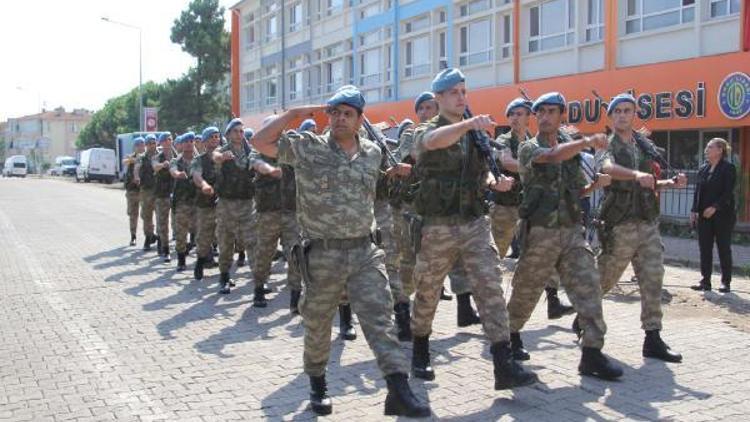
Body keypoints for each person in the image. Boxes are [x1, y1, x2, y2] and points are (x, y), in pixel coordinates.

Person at [251, 86, 430, 417]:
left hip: (365, 251)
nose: (340, 119)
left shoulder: (374, 152)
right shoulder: (307, 147)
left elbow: (374, 188)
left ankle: (398, 389)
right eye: (335, 113)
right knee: (317, 325)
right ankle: (318, 384)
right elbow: (259, 142)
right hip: (322, 255)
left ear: (360, 119)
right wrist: (294, 114)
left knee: (380, 319)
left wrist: (397, 174)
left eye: (348, 113)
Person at [409, 69, 536, 390]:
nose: (460, 97)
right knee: (427, 290)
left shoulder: (475, 136)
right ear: (438, 98)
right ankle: (420, 350)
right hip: (438, 225)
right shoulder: (428, 128)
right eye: (453, 92)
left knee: (490, 287)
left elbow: (484, 176)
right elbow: (433, 142)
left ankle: (503, 364)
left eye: (464, 91)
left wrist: (498, 182)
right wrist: (467, 123)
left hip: (475, 223)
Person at [506, 92, 623, 380]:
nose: (544, 117)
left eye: (551, 111)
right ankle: (508, 341)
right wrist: (584, 142)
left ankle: (592, 354)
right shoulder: (528, 148)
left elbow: (577, 190)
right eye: (540, 112)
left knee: (589, 290)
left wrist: (596, 185)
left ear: (561, 115)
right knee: (525, 293)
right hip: (541, 233)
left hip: (571, 232)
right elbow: (551, 156)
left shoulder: (571, 152)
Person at [597, 93, 687, 363]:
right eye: (618, 111)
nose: (623, 115)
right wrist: (637, 175)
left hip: (646, 222)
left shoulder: (643, 146)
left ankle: (653, 337)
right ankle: (585, 317)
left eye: (628, 110)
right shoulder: (606, 144)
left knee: (653, 278)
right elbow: (607, 167)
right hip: (620, 224)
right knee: (604, 279)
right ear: (611, 117)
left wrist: (670, 184)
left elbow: (649, 183)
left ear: (634, 114)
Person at [494, 97, 575, 320]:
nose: (516, 118)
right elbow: (507, 162)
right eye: (512, 114)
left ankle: (553, 301)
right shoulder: (503, 139)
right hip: (504, 206)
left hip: (528, 207)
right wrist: (534, 160)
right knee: (495, 256)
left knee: (543, 254)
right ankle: (493, 303)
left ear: (529, 117)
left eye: (521, 114)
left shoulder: (534, 139)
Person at [252, 115, 303, 314]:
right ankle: (258, 288)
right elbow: (257, 164)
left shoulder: (290, 149)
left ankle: (295, 296)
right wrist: (272, 170)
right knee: (264, 252)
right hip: (268, 213)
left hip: (291, 212)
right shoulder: (257, 152)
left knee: (295, 254)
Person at [212, 118, 261, 298]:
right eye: (235, 131)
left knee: (252, 242)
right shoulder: (222, 151)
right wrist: (222, 157)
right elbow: (215, 156)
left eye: (242, 131)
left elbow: (258, 163)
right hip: (227, 206)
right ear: (229, 134)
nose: (239, 135)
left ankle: (259, 282)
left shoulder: (251, 152)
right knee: (225, 242)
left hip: (248, 205)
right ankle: (224, 277)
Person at [691, 137, 737, 293]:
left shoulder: (728, 168)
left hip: (723, 215)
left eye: (710, 147)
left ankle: (726, 282)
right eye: (707, 147)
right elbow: (698, 192)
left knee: (723, 248)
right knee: (705, 248)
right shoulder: (703, 168)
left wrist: (715, 207)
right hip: (704, 215)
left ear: (720, 150)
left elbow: (727, 192)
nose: (706, 149)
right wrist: (694, 210)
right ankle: (705, 281)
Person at [191, 127, 221, 280]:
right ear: (205, 141)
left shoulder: (225, 156)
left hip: (224, 204)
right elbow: (196, 175)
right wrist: (204, 185)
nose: (215, 139)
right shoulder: (199, 160)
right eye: (212, 137)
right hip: (206, 204)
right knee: (204, 236)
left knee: (225, 237)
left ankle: (225, 273)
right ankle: (200, 261)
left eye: (217, 136)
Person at [170, 133, 198, 272]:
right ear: (181, 144)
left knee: (201, 231)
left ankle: (203, 259)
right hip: (182, 202)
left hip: (198, 202)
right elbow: (173, 171)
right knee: (181, 232)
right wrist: (178, 174)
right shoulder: (176, 161)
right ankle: (181, 259)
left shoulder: (199, 160)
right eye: (186, 141)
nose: (189, 143)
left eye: (191, 141)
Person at [133, 134, 159, 251]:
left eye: (154, 143)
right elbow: (136, 168)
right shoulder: (141, 157)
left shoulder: (161, 155)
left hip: (160, 190)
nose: (152, 145)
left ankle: (161, 240)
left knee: (161, 216)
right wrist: (137, 177)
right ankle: (149, 236)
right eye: (149, 143)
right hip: (146, 190)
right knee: (146, 215)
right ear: (146, 145)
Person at [154, 132, 175, 262]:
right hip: (162, 195)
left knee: (179, 222)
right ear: (161, 143)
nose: (168, 142)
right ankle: (165, 248)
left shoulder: (177, 156)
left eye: (170, 139)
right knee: (162, 223)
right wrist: (163, 165)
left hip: (176, 194)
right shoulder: (157, 157)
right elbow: (155, 166)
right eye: (165, 140)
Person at [123, 137, 145, 245]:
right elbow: (125, 161)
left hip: (144, 191)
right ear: (135, 147)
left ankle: (149, 235)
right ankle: (133, 236)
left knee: (145, 214)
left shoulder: (148, 157)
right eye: (138, 145)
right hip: (132, 190)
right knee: (132, 214)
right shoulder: (131, 157)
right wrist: (134, 159)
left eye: (142, 145)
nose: (140, 147)